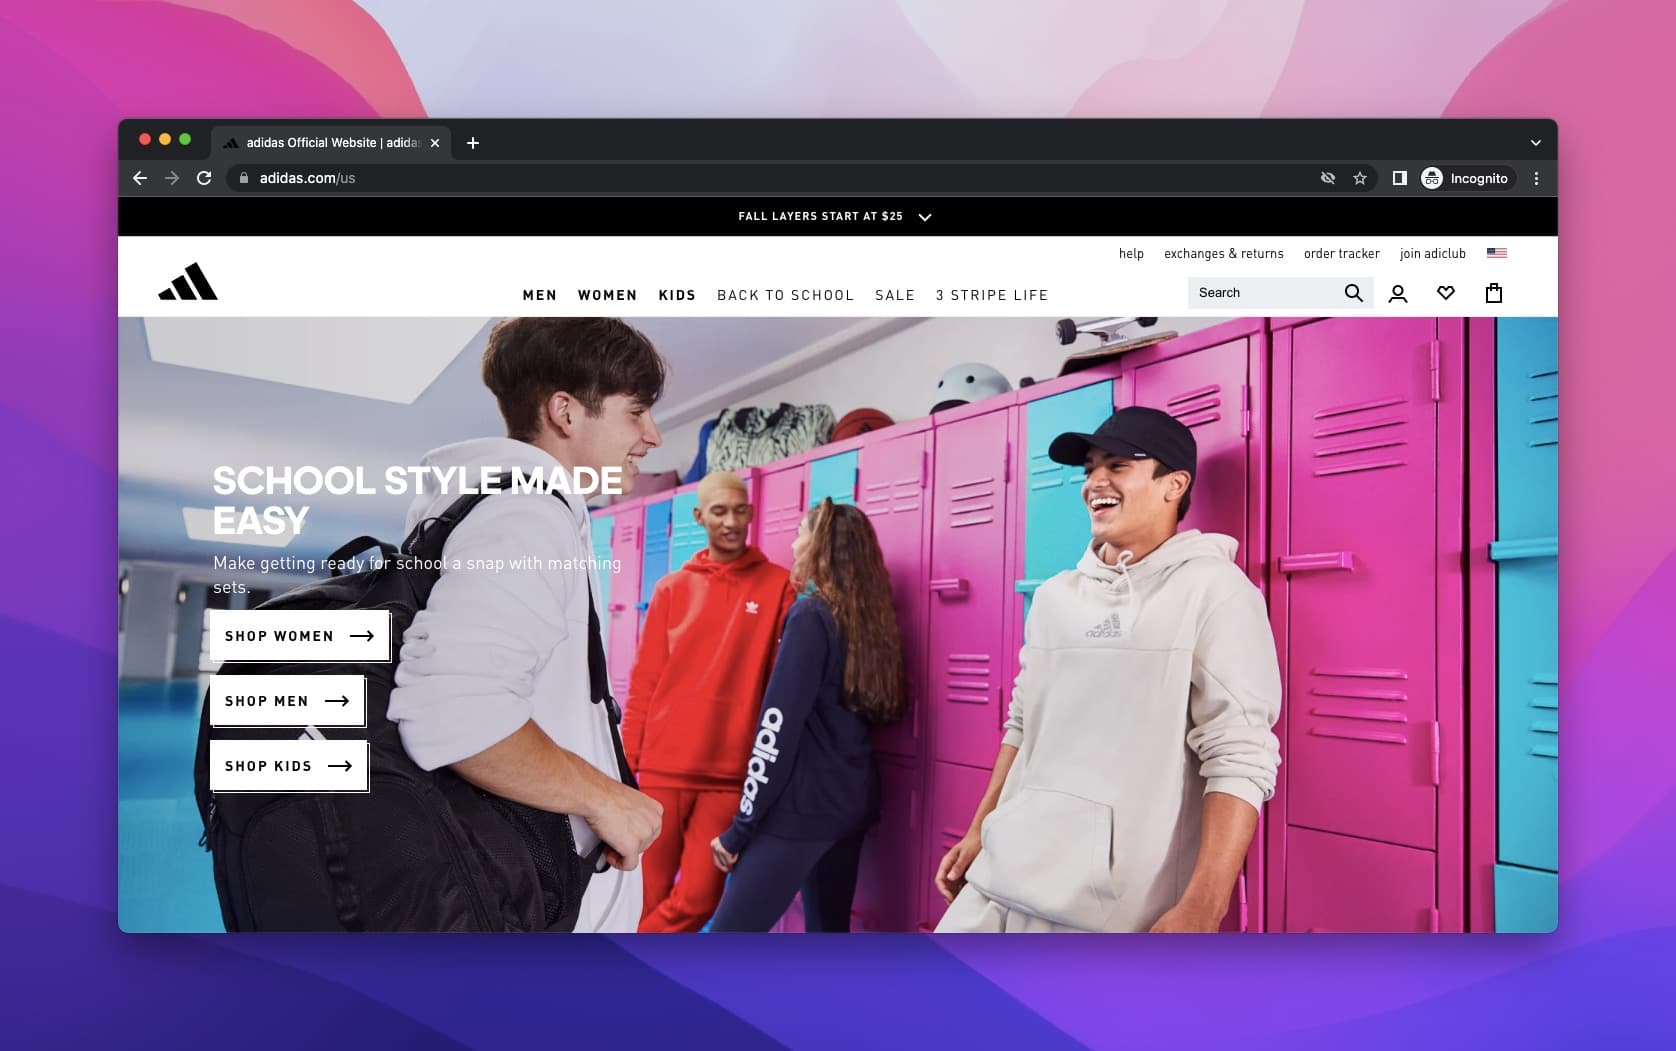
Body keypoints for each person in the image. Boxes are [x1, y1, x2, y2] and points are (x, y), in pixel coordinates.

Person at [934, 406, 1282, 933]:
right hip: (1000, 881)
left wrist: (1204, 905)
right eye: (1090, 468)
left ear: (1174, 485)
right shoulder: (1055, 596)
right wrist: (981, 827)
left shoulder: (1215, 592)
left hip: (1113, 914)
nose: (1094, 481)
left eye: (1118, 465)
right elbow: (1023, 725)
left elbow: (1240, 755)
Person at [387, 317, 668, 933]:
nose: (652, 434)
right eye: (636, 412)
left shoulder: (491, 506)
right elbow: (455, 713)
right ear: (565, 412)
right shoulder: (526, 516)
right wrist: (605, 797)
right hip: (530, 907)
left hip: (515, 891)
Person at [705, 499, 907, 932]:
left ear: (819, 546)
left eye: (800, 532)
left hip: (803, 810)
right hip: (851, 804)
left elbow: (776, 731)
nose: (793, 543)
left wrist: (740, 830)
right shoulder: (867, 619)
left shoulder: (811, 616)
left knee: (726, 939)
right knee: (827, 936)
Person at [623, 471, 798, 933]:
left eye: (740, 510)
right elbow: (644, 683)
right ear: (700, 516)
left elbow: (783, 687)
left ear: (752, 514)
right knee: (643, 897)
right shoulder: (671, 589)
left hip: (729, 775)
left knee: (699, 900)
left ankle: (618, 967)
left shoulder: (780, 587)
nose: (731, 521)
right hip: (662, 770)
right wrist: (626, 768)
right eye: (719, 511)